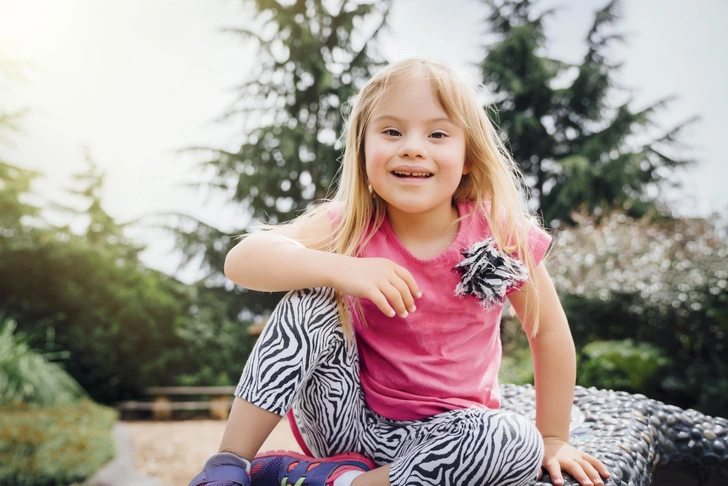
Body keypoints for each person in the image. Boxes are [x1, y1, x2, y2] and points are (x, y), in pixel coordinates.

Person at [189, 58, 610, 486]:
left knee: (518, 441)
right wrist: (341, 269)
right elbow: (241, 261)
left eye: (438, 134)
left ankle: (337, 483)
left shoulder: (499, 231)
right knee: (311, 297)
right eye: (391, 131)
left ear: (468, 157)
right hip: (347, 423)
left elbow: (548, 332)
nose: (412, 146)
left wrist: (554, 437)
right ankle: (228, 466)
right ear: (363, 149)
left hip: (452, 437)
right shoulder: (351, 223)